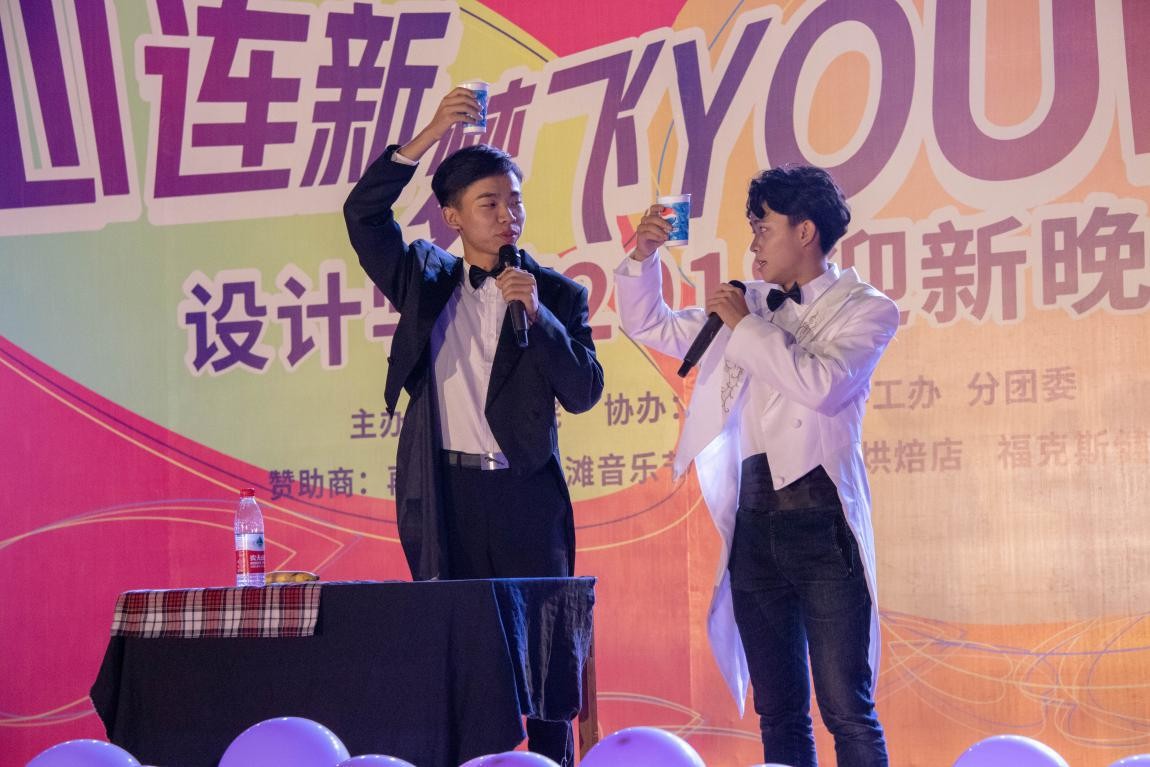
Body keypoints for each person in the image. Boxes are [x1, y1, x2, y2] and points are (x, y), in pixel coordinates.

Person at [343, 87, 604, 766]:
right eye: (489, 203)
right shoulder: (423, 279)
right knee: (457, 663)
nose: (508, 215)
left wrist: (539, 318)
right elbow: (363, 214)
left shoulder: (558, 293)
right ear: (452, 215)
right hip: (447, 496)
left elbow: (583, 391)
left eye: (515, 201)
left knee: (544, 667)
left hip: (526, 498)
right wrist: (430, 131)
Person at [614, 165, 896, 766]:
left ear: (805, 232)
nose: (753, 245)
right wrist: (643, 257)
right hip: (754, 526)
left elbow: (821, 385)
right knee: (779, 709)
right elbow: (651, 324)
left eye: (763, 229)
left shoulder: (867, 309)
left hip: (822, 525)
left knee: (846, 706)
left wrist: (744, 325)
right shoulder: (750, 305)